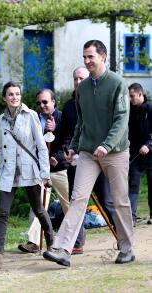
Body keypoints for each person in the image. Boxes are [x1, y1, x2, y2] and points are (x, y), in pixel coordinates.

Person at [43, 40, 134, 267]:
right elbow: (81, 123)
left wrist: (108, 144)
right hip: (89, 153)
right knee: (78, 198)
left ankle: (127, 249)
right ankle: (63, 249)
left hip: (116, 152)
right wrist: (73, 146)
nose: (86, 61)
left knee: (120, 201)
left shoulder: (117, 84)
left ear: (102, 56)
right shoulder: (81, 89)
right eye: (84, 57)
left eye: (90, 56)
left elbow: (121, 119)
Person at [0, 81, 54, 268]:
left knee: (39, 209)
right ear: (4, 98)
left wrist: (45, 174)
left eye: (17, 94)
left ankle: (53, 245)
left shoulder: (30, 116)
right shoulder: (0, 120)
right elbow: (1, 150)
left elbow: (41, 147)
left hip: (29, 170)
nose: (15, 97)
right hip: (8, 172)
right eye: (11, 94)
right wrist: (0, 176)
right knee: (2, 212)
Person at [60, 66, 116, 255]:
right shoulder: (68, 106)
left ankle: (121, 235)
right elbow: (67, 132)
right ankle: (76, 242)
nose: (77, 82)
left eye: (81, 78)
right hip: (76, 160)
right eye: (75, 79)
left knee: (107, 200)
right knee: (76, 202)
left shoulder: (97, 99)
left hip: (99, 158)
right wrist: (69, 150)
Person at [18, 89, 69, 254]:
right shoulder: (33, 119)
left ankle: (73, 240)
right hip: (40, 170)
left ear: (53, 101)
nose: (42, 105)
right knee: (37, 206)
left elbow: (69, 141)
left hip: (60, 168)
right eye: (39, 103)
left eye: (45, 102)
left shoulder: (63, 117)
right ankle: (34, 242)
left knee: (69, 204)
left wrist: (57, 156)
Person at [128, 83, 152, 225]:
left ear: (140, 94)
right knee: (133, 184)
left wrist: (149, 145)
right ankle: (130, 216)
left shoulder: (150, 109)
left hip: (150, 154)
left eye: (132, 96)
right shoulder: (130, 111)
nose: (130, 99)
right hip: (135, 154)